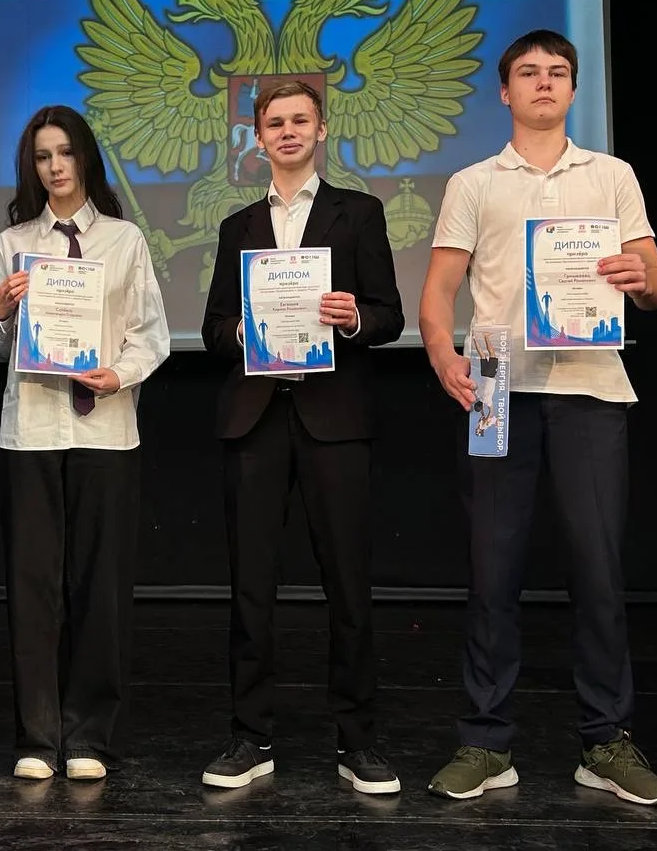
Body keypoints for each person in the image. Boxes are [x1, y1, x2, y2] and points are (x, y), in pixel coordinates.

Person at [420, 29, 657, 805]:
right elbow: (439, 291)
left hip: (591, 384)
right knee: (491, 570)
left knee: (597, 569)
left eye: (557, 72)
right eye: (527, 72)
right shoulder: (473, 182)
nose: (542, 82)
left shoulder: (612, 176)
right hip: (496, 384)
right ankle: (485, 742)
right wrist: (442, 355)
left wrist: (640, 279)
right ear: (505, 92)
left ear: (572, 89)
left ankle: (605, 742)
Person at [199, 80, 405, 793]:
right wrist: (246, 332)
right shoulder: (237, 226)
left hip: (334, 417)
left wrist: (353, 318)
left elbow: (388, 315)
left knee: (347, 584)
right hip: (255, 418)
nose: (287, 131)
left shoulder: (359, 213)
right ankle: (249, 738)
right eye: (274, 123)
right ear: (257, 137)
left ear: (321, 130)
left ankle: (358, 742)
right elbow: (212, 329)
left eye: (300, 120)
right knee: (250, 588)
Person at [0, 104, 170, 781]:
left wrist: (118, 374)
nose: (55, 167)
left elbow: (151, 332)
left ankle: (90, 737)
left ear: (85, 157)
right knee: (33, 586)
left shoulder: (125, 240)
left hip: (106, 429)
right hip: (32, 430)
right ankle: (37, 737)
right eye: (42, 156)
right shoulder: (13, 243)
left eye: (64, 153)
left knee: (101, 587)